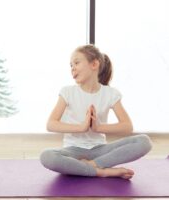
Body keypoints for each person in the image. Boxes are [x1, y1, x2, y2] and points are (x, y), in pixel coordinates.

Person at [40, 44, 152, 179]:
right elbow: (51, 124)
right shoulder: (67, 92)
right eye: (70, 65)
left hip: (100, 150)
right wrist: (82, 127)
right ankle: (101, 171)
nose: (72, 68)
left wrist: (98, 127)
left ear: (94, 65)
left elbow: (127, 126)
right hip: (72, 150)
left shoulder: (110, 94)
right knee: (47, 156)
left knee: (144, 141)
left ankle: (92, 164)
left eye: (76, 62)